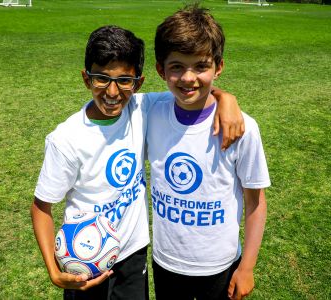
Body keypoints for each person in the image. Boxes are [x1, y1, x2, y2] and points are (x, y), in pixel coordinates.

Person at [30, 25, 244, 300]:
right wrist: (53, 269)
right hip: (85, 257)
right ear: (86, 79)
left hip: (132, 254)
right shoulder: (66, 139)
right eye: (101, 78)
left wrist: (225, 97)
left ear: (138, 83)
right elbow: (41, 207)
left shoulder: (142, 109)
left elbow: (190, 89)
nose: (112, 91)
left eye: (124, 81)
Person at [147, 5, 271, 300]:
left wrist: (248, 267)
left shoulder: (242, 129)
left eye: (200, 66)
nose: (188, 78)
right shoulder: (151, 111)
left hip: (219, 265)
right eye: (176, 66)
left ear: (219, 67)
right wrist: (222, 94)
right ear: (160, 69)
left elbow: (255, 203)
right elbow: (112, 98)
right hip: (166, 261)